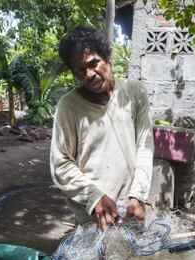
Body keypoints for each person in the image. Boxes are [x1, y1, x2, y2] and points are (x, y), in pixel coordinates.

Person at [50, 26, 154, 230]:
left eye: (93, 63)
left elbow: (144, 146)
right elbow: (61, 164)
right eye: (80, 70)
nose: (89, 74)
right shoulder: (68, 106)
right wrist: (95, 197)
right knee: (99, 259)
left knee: (133, 259)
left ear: (108, 58)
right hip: (93, 213)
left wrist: (138, 195)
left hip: (129, 206)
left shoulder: (135, 92)